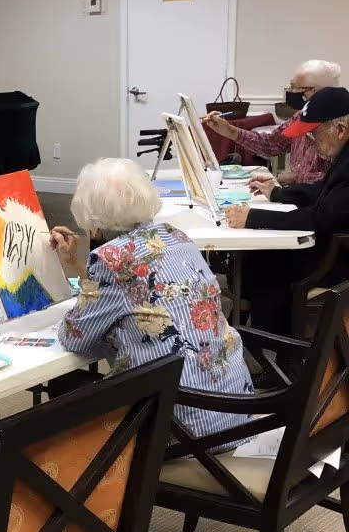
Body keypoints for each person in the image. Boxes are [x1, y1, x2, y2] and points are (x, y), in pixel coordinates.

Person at [52, 158, 253, 441]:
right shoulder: (175, 236)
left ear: (92, 218)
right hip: (236, 412)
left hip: (182, 431)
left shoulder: (111, 260)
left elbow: (74, 337)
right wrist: (75, 265)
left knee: (65, 386)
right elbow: (129, 293)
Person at [224, 87, 349, 335]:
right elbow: (321, 191)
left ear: (341, 130)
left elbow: (321, 218)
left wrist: (253, 217)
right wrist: (278, 193)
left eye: (314, 135)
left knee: (267, 262)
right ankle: (245, 332)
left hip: (339, 261)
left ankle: (270, 348)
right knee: (255, 258)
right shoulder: (343, 156)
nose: (311, 144)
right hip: (333, 245)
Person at [204, 59, 340, 185]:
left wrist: (295, 177)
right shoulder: (300, 115)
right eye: (292, 86)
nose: (292, 92)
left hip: (318, 203)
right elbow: (272, 143)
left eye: (298, 88)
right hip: (298, 195)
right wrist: (230, 131)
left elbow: (337, 181)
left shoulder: (337, 125)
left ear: (318, 91)